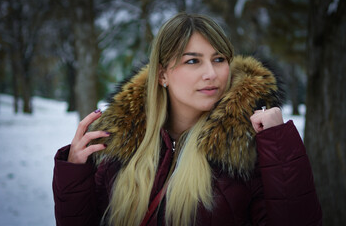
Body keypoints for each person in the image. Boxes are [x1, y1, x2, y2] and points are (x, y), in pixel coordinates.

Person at [53, 12, 322, 226]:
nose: (212, 74)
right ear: (162, 75)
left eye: (219, 59)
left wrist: (280, 147)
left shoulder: (248, 148)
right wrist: (75, 172)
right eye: (193, 61)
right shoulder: (119, 144)